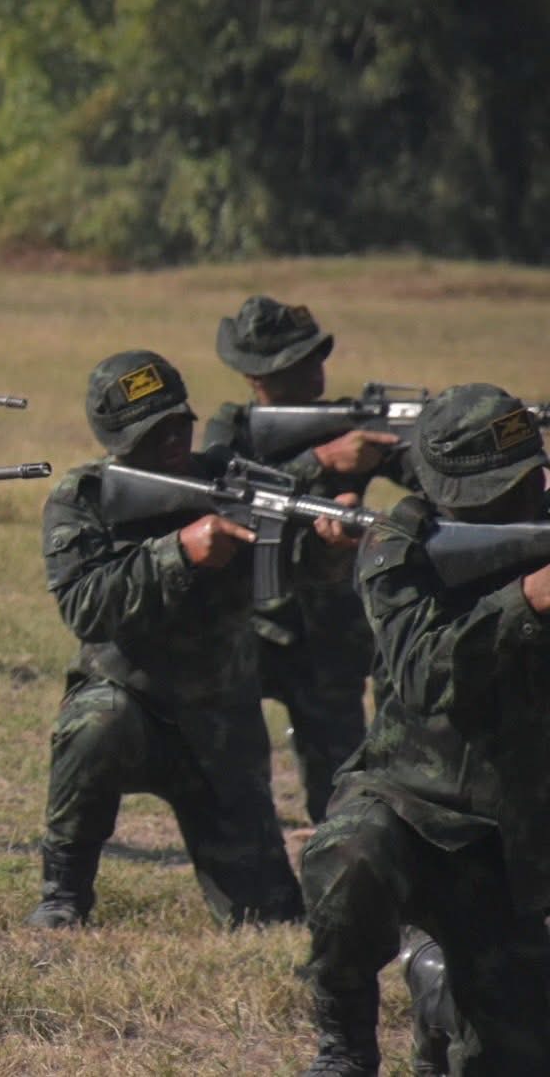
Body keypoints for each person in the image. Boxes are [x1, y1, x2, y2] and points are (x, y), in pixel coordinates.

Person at [298, 384, 550, 1075]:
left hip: (515, 847)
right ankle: (345, 1044)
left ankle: (436, 989)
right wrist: (527, 601)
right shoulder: (402, 542)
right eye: (490, 496)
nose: (515, 502)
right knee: (348, 857)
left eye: (522, 484)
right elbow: (422, 672)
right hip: (412, 808)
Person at [27, 350, 306, 929]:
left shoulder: (234, 481)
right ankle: (63, 892)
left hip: (221, 730)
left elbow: (296, 575)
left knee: (268, 919)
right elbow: (85, 607)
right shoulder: (86, 497)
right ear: (117, 441)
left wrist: (328, 546)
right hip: (131, 708)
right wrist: (180, 552)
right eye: (152, 432)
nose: (172, 439)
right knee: (93, 725)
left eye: (178, 423)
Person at [202, 295, 405, 824]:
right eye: (295, 363)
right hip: (245, 627)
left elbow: (420, 469)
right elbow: (226, 493)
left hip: (328, 634)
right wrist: (320, 461)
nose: (314, 371)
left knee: (340, 791)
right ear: (255, 376)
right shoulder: (232, 429)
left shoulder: (349, 422)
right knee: (230, 778)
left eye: (317, 356)